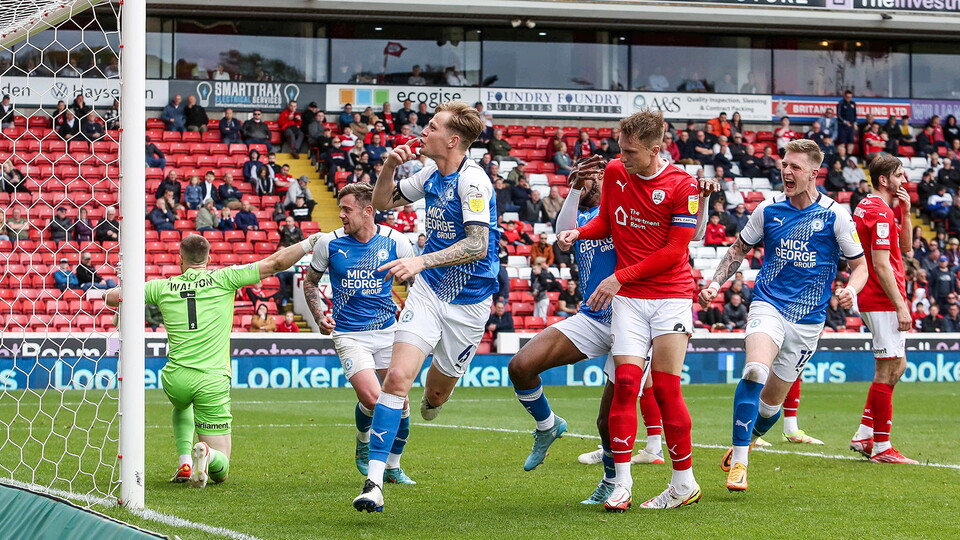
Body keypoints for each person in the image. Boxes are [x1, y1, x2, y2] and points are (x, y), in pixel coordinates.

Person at [557, 109, 711, 511]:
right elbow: (608, 221)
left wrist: (619, 277)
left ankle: (684, 484)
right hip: (629, 299)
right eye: (620, 149)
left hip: (671, 296)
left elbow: (675, 251)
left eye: (630, 152)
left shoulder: (683, 185)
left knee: (666, 389)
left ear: (655, 150)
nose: (621, 158)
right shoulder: (614, 171)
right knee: (626, 384)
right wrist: (579, 231)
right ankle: (621, 484)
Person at [699, 139, 868, 492]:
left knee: (768, 408)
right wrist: (715, 283)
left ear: (813, 173)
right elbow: (738, 250)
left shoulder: (835, 215)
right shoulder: (768, 209)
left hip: (808, 320)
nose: (786, 171)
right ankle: (741, 463)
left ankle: (744, 443)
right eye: (784, 165)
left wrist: (852, 289)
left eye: (795, 167)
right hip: (769, 305)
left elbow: (860, 266)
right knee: (755, 370)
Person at [354, 100, 497, 513]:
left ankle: (432, 402)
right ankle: (374, 482)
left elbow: (477, 245)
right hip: (430, 292)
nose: (423, 130)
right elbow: (384, 203)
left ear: (452, 140)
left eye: (432, 127)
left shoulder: (474, 182)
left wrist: (420, 260)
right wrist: (388, 166)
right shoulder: (430, 173)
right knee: (397, 377)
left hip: (469, 302)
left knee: (435, 395)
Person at [106, 232, 320, 486]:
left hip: (175, 379)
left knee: (182, 406)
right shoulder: (225, 278)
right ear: (209, 259)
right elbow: (276, 263)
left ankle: (185, 461)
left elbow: (112, 297)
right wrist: (309, 243)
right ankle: (207, 455)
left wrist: (123, 290)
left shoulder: (160, 286)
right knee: (221, 469)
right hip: (211, 380)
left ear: (180, 259)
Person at [304, 182, 420, 485]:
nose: (341, 215)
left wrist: (414, 318)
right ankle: (363, 440)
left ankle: (393, 466)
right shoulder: (329, 243)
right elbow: (310, 282)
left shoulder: (396, 242)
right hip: (349, 334)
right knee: (372, 398)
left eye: (347, 209)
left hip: (388, 331)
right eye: (340, 209)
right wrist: (319, 316)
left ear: (368, 211)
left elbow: (416, 285)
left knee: (401, 402)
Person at [848, 153, 919, 464]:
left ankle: (865, 434)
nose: (904, 180)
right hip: (882, 298)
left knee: (897, 366)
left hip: (880, 297)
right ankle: (881, 447)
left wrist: (906, 212)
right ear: (883, 180)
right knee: (887, 370)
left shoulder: (873, 207)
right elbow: (880, 264)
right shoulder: (878, 212)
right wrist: (901, 306)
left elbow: (905, 248)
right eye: (899, 175)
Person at [837, 90, 857, 155]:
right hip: (842, 126)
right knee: (842, 142)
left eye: (850, 97)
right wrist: (845, 122)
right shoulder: (841, 103)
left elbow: (855, 114)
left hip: (851, 126)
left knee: (851, 142)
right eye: (847, 97)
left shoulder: (853, 103)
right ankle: (842, 156)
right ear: (844, 96)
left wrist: (855, 123)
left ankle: (849, 155)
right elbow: (839, 115)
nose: (849, 98)